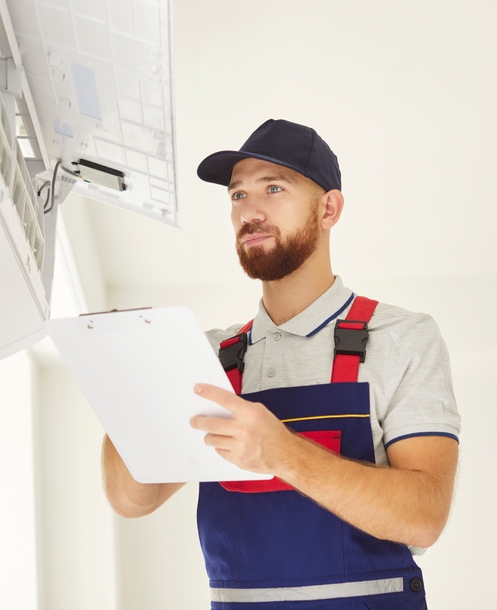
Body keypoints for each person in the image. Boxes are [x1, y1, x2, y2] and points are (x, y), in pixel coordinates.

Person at [101, 119, 461, 609]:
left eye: (274, 188)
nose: (250, 211)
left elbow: (424, 516)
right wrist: (128, 377)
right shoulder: (203, 356)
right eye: (238, 195)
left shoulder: (400, 338)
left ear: (328, 207)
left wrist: (283, 454)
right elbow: (131, 499)